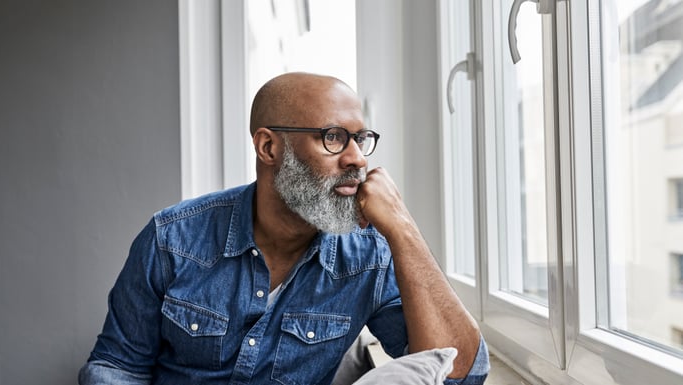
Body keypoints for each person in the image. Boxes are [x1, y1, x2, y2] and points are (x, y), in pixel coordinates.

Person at [79, 72, 490, 385]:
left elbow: (461, 373)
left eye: (359, 139)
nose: (357, 159)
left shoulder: (370, 256)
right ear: (268, 147)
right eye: (333, 137)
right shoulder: (171, 239)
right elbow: (117, 366)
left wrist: (403, 230)